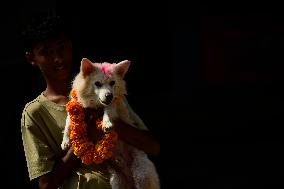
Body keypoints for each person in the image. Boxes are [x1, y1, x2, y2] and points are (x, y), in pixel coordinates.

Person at [20, 13, 160, 189]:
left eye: (61, 47)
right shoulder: (35, 113)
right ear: (31, 58)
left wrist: (112, 124)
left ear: (70, 46)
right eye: (46, 52)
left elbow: (153, 147)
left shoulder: (108, 93)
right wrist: (84, 138)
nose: (58, 58)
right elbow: (46, 184)